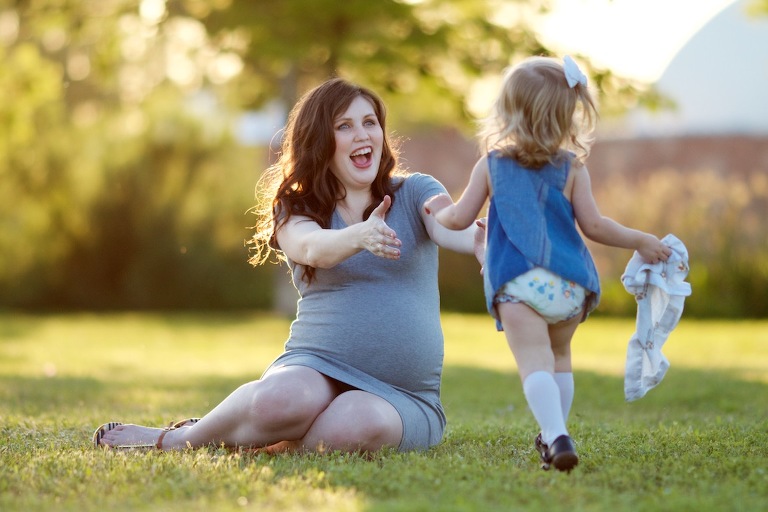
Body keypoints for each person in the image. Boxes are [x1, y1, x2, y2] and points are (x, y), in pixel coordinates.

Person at [93, 77, 484, 454]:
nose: (363, 135)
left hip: (403, 396)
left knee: (356, 425)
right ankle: (181, 438)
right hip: (315, 365)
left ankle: (267, 443)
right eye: (344, 126)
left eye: (370, 123)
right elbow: (312, 248)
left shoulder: (416, 191)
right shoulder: (296, 208)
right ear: (320, 141)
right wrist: (360, 235)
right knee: (277, 401)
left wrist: (482, 242)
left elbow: (448, 224)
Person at [424, 56, 671, 472]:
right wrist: (641, 240)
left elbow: (460, 218)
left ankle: (556, 435)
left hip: (520, 283)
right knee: (559, 356)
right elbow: (595, 225)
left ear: (509, 113)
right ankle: (554, 431)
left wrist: (438, 211)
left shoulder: (492, 165)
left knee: (534, 360)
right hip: (570, 284)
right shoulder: (572, 169)